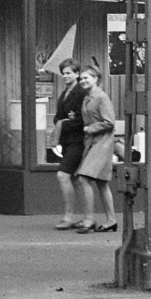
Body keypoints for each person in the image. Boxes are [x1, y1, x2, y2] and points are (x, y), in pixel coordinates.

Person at [73, 64, 120, 234]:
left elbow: (110, 122)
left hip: (103, 143)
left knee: (83, 178)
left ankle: (89, 220)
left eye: (86, 77)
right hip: (92, 143)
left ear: (96, 78)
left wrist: (89, 129)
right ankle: (111, 220)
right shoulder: (88, 97)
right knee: (101, 183)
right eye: (81, 78)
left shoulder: (102, 98)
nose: (82, 81)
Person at [50, 60, 88, 230]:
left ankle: (70, 216)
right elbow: (58, 116)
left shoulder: (80, 92)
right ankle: (86, 217)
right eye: (64, 73)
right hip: (67, 141)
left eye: (69, 73)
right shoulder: (66, 92)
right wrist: (63, 121)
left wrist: (63, 123)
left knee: (63, 176)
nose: (66, 76)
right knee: (75, 179)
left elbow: (82, 119)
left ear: (77, 74)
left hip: (77, 141)